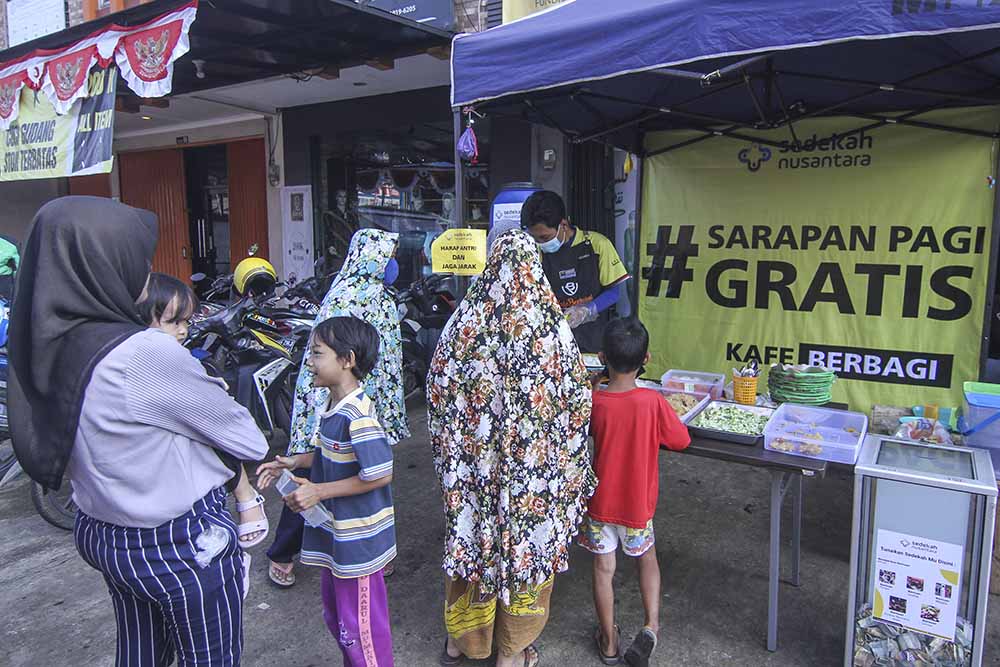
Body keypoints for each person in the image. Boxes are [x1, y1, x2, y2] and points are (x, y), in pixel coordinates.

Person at [9, 196, 268, 666]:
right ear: (101, 265)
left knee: (142, 654)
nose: (144, 277)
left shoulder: (51, 341)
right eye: (137, 263)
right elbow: (246, 438)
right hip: (177, 544)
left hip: (103, 533)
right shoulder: (142, 353)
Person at [428, 229, 596, 667]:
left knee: (471, 542)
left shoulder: (464, 321)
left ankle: (462, 642)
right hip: (530, 480)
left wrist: (464, 448)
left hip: (474, 478)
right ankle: (511, 652)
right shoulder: (547, 327)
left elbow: (437, 385)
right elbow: (576, 398)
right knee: (523, 548)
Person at [266, 228, 408, 588]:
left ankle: (352, 551)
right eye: (388, 255)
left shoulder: (355, 290)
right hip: (335, 401)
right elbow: (367, 362)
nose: (392, 263)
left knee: (338, 473)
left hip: (340, 399)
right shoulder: (361, 294)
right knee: (324, 477)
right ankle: (285, 553)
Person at [257, 316, 396, 667]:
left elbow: (379, 473)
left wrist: (318, 490)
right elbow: (330, 454)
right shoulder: (334, 408)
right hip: (338, 537)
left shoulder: (358, 416)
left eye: (317, 353)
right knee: (341, 622)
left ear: (346, 360)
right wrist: (293, 462)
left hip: (358, 542)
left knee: (362, 630)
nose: (310, 362)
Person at [578, 318, 690, 667]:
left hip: (600, 505)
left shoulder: (595, 402)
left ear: (601, 357)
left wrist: (592, 387)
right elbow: (681, 440)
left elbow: (585, 424)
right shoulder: (652, 402)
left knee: (602, 569)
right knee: (647, 560)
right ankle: (651, 625)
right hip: (637, 506)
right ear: (647, 359)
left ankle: (609, 641)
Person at [137, 273, 269, 549]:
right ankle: (246, 494)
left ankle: (245, 494)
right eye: (173, 322)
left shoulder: (189, 361)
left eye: (185, 321)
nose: (183, 330)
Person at [521, 190, 629, 353]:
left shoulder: (597, 244)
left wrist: (587, 310)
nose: (539, 243)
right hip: (554, 345)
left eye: (544, 238)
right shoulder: (535, 252)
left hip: (594, 342)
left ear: (563, 225)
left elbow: (614, 293)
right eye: (535, 238)